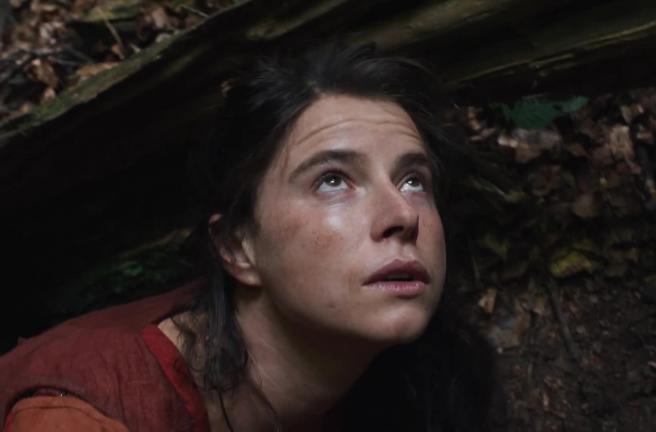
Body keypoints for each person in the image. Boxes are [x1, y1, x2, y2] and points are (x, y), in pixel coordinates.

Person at [0, 43, 495, 432]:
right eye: (332, 180)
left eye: (413, 180)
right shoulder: (79, 415)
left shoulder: (416, 382)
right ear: (238, 246)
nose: (403, 215)